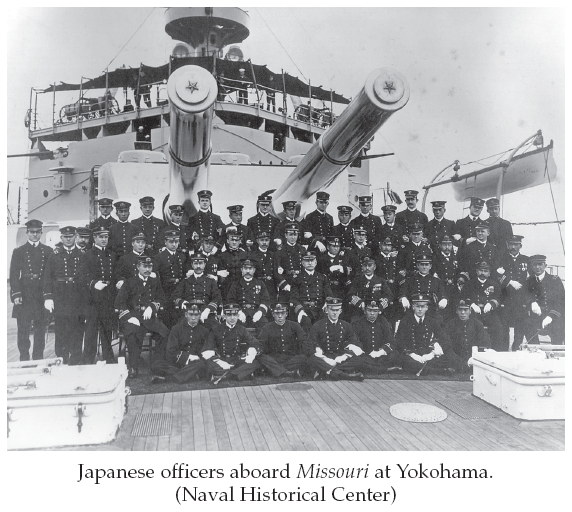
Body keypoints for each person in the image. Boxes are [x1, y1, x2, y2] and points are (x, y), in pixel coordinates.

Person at [115, 256, 169, 377]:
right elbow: (119, 302)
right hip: (133, 317)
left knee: (164, 334)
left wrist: (152, 307)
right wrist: (129, 317)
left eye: (150, 266)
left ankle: (157, 365)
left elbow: (161, 298)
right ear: (138, 267)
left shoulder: (155, 281)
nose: (147, 269)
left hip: (149, 317)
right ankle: (133, 367)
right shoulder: (129, 282)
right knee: (133, 335)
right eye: (144, 266)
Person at [10, 219, 52, 361]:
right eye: (32, 232)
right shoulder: (19, 252)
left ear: (41, 233)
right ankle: (24, 357)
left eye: (37, 232)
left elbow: (50, 275)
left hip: (41, 294)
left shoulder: (48, 251)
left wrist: (49, 297)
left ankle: (38, 356)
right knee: (23, 329)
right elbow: (14, 275)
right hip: (25, 294)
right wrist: (16, 294)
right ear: (27, 233)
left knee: (40, 328)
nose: (34, 235)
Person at [42, 226, 84, 364]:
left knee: (77, 327)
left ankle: (76, 355)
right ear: (61, 238)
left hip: (77, 296)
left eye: (71, 236)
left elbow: (85, 277)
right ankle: (62, 356)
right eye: (65, 237)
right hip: (60, 296)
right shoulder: (54, 256)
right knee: (61, 327)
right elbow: (47, 277)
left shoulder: (82, 255)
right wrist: (48, 297)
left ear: (75, 237)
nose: (68, 239)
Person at [78, 227, 118, 364]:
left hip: (107, 298)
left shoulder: (112, 255)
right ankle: (88, 358)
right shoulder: (87, 255)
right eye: (101, 237)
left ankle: (109, 357)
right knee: (91, 330)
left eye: (106, 237)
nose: (104, 240)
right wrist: (93, 283)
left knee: (107, 329)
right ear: (94, 238)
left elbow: (114, 276)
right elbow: (82, 277)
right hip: (92, 299)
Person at [304, 297, 365, 381]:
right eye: (332, 310)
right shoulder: (317, 326)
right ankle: (346, 375)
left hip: (339, 358)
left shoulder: (346, 325)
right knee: (312, 360)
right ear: (326, 310)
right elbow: (309, 347)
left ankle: (326, 372)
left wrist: (343, 357)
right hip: (324, 358)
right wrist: (324, 358)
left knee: (359, 360)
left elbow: (356, 343)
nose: (335, 313)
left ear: (341, 311)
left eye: (337, 310)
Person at [395, 294, 454, 375]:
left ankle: (422, 369)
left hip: (428, 354)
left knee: (447, 358)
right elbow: (399, 341)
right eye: (417, 306)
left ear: (427, 308)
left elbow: (445, 339)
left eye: (422, 307)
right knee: (405, 361)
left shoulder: (433, 321)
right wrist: (412, 354)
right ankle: (440, 371)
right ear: (413, 307)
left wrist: (433, 353)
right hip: (411, 355)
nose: (420, 309)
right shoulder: (405, 321)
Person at [202, 303, 261, 384]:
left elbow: (255, 342)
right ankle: (239, 374)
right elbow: (207, 349)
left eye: (234, 315)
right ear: (225, 316)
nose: (232, 318)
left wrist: (251, 353)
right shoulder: (216, 329)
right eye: (229, 315)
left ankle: (227, 375)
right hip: (221, 360)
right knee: (209, 365)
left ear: (237, 316)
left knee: (255, 363)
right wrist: (220, 362)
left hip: (236, 361)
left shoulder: (241, 329)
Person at [150, 303, 209, 383]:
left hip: (194, 363)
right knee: (156, 365)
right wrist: (188, 357)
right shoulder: (176, 329)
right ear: (186, 315)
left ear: (200, 315)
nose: (193, 318)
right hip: (177, 363)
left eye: (196, 314)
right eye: (191, 314)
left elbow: (205, 351)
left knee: (201, 365)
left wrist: (196, 358)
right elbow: (171, 351)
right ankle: (188, 375)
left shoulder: (204, 331)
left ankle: (169, 379)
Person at [495, 235, 530, 350]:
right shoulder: (501, 258)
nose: (513, 247)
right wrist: (509, 281)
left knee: (520, 326)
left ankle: (516, 349)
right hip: (505, 297)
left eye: (516, 244)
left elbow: (530, 279)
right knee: (504, 326)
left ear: (520, 246)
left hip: (520, 298)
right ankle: (504, 351)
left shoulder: (526, 260)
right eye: (511, 244)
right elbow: (495, 275)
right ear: (507, 245)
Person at [256, 303, 308, 378]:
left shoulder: (294, 325)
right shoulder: (266, 328)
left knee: (304, 357)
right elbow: (261, 343)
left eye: (282, 313)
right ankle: (287, 372)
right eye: (277, 314)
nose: (280, 316)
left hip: (291, 358)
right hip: (274, 358)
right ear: (273, 314)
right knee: (262, 358)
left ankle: (276, 371)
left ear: (286, 314)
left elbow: (303, 339)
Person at [172, 255, 222, 330]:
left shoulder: (210, 281)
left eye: (201, 263)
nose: (198, 266)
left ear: (204, 265)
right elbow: (174, 296)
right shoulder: (186, 281)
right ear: (192, 265)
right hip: (189, 311)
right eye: (195, 263)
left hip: (205, 311)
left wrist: (208, 309)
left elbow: (217, 297)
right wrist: (182, 302)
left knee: (217, 330)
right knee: (177, 329)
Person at [462, 261, 504, 350]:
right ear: (477, 271)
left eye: (485, 271)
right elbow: (464, 297)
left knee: (498, 327)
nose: (483, 273)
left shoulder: (494, 284)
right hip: (474, 312)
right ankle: (472, 350)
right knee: (472, 327)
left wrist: (491, 304)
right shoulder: (469, 284)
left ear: (489, 273)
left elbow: (499, 298)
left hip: (489, 313)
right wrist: (472, 305)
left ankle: (496, 351)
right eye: (481, 271)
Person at [352, 300, 402, 373]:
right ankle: (385, 369)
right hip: (366, 355)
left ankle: (373, 368)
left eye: (375, 311)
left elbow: (391, 341)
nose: (372, 313)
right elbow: (355, 341)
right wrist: (365, 353)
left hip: (380, 355)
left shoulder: (384, 322)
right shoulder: (358, 324)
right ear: (365, 311)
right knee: (359, 360)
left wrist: (380, 352)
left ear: (379, 312)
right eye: (369, 310)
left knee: (395, 355)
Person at [526, 254, 565, 345]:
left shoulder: (555, 280)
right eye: (534, 265)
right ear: (531, 266)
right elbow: (525, 295)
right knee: (526, 324)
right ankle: (536, 350)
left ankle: (556, 351)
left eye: (540, 264)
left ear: (545, 266)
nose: (537, 267)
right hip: (538, 316)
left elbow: (561, 301)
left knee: (558, 328)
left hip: (554, 315)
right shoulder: (529, 281)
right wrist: (532, 302)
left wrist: (551, 316)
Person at [398, 252, 447, 323]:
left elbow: (442, 294)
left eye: (427, 265)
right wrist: (403, 298)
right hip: (414, 310)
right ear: (417, 265)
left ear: (430, 266)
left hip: (431, 310)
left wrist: (443, 299)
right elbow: (402, 292)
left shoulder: (436, 281)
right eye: (422, 264)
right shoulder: (410, 280)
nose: (424, 267)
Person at [290, 251, 333, 332]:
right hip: (305, 309)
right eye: (307, 261)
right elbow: (294, 298)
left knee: (324, 325)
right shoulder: (297, 278)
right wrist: (301, 311)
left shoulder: (322, 277)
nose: (310, 263)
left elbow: (329, 295)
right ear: (303, 263)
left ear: (316, 262)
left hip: (320, 309)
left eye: (312, 260)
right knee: (306, 323)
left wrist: (326, 306)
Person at [444, 299, 491, 372]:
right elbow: (446, 346)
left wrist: (474, 359)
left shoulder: (477, 324)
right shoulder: (450, 325)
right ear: (456, 311)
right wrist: (459, 362)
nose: (463, 312)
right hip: (456, 363)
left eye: (465, 310)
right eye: (460, 310)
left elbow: (485, 343)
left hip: (473, 361)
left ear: (470, 311)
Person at [153, 229, 188, 329]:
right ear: (165, 242)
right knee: (167, 319)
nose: (174, 244)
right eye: (171, 242)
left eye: (176, 242)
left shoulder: (182, 256)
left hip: (180, 292)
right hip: (166, 292)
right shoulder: (159, 257)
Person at [226, 256, 271, 330]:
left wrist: (260, 312)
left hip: (256, 312)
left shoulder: (260, 283)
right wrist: (238, 311)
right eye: (245, 268)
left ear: (254, 270)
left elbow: (265, 300)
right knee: (235, 325)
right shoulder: (236, 284)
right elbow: (231, 300)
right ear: (241, 270)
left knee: (264, 324)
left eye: (250, 269)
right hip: (241, 312)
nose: (248, 271)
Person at [346, 256, 393, 323]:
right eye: (365, 266)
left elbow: (389, 295)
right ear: (362, 267)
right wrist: (360, 303)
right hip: (361, 312)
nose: (367, 268)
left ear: (374, 267)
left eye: (370, 265)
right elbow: (350, 294)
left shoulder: (381, 281)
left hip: (377, 312)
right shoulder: (357, 280)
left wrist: (381, 306)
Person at [274, 222, 306, 302]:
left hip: (299, 283)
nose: (293, 237)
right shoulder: (280, 250)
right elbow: (276, 270)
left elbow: (305, 268)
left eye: (295, 235)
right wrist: (284, 285)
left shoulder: (302, 249)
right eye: (290, 235)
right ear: (285, 235)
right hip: (286, 282)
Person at [432, 235, 460, 322]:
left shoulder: (456, 257)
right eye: (444, 245)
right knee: (443, 313)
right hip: (441, 289)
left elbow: (461, 271)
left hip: (455, 289)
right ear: (440, 245)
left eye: (449, 244)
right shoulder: (435, 258)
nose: (447, 247)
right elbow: (434, 276)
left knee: (455, 311)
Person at [316, 235, 349, 300]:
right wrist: (329, 269)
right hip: (326, 290)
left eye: (338, 246)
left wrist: (343, 269)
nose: (336, 248)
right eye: (333, 246)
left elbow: (348, 273)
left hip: (341, 289)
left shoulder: (344, 258)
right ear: (328, 247)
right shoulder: (321, 259)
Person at [216, 231, 247, 298]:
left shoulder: (245, 255)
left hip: (242, 287)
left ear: (240, 241)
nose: (234, 242)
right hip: (227, 288)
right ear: (227, 241)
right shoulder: (222, 255)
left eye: (236, 240)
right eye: (232, 240)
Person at [247, 230, 276, 295]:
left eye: (266, 240)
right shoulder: (252, 255)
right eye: (262, 240)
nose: (264, 243)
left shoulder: (273, 255)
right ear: (257, 241)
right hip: (257, 286)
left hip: (271, 287)